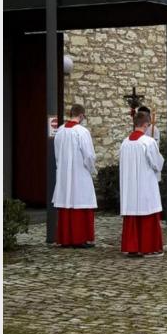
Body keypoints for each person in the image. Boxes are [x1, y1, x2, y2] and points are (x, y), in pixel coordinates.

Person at [119, 111, 165, 257]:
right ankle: (148, 247)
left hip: (130, 186)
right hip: (145, 185)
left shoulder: (125, 142)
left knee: (133, 214)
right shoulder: (148, 142)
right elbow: (157, 163)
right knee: (147, 213)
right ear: (145, 125)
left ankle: (132, 247)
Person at [52, 104, 98, 248]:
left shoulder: (59, 131)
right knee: (80, 202)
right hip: (80, 173)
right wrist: (91, 169)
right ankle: (80, 239)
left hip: (64, 173)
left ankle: (65, 238)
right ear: (81, 115)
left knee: (67, 202)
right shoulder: (82, 132)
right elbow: (89, 155)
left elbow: (57, 153)